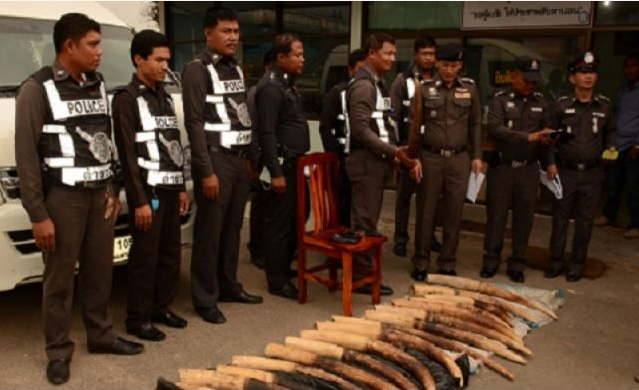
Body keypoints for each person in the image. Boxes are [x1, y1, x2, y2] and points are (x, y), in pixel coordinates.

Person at [15, 13, 143, 385]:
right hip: (63, 199)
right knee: (59, 280)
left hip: (99, 196)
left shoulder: (97, 83)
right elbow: (27, 159)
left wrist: (113, 189)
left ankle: (101, 335)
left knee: (100, 271)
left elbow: (105, 140)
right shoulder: (36, 89)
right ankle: (58, 351)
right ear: (69, 46)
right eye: (92, 44)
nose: (100, 52)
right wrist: (38, 214)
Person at [182, 6, 263, 325]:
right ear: (208, 34)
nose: (233, 37)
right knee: (209, 232)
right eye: (226, 31)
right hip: (215, 158)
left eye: (236, 31)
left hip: (239, 160)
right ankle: (204, 297)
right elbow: (194, 123)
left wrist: (251, 160)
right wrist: (206, 171)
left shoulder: (237, 69)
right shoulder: (197, 70)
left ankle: (228, 285)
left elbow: (242, 116)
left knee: (232, 229)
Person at [112, 30, 190, 342]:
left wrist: (182, 187)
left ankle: (160, 307)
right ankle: (138, 318)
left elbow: (174, 145)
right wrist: (139, 201)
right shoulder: (126, 100)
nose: (164, 66)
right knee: (145, 258)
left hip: (171, 190)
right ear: (138, 59)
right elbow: (127, 157)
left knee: (171, 254)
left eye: (167, 60)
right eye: (158, 60)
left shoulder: (165, 97)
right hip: (149, 193)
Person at [346, 33, 421, 294]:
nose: (393, 58)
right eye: (387, 53)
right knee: (365, 222)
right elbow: (360, 130)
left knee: (370, 220)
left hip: (376, 163)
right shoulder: (364, 85)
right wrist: (393, 151)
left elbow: (384, 124)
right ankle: (361, 278)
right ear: (372, 53)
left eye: (394, 53)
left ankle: (365, 273)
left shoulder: (379, 83)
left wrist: (394, 152)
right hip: (365, 163)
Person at [410, 44, 483, 281]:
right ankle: (421, 261)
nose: (449, 70)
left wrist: (477, 156)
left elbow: (475, 124)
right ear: (437, 64)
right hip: (430, 158)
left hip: (459, 159)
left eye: (454, 65)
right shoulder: (425, 89)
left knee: (454, 212)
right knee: (426, 212)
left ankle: (448, 261)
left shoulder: (470, 89)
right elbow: (414, 126)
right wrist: (414, 158)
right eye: (445, 65)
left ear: (460, 65)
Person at [545, 51, 617, 282]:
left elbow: (612, 132)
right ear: (572, 78)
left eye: (592, 72)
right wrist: (551, 163)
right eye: (583, 72)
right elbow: (548, 138)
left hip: (592, 173)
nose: (588, 77)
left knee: (585, 222)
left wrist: (612, 147)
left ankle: (577, 264)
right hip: (564, 171)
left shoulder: (604, 106)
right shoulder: (560, 106)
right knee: (560, 219)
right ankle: (555, 262)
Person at [481, 57, 554, 283]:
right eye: (526, 80)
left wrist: (550, 161)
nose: (531, 85)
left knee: (524, 220)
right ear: (513, 76)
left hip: (529, 170)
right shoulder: (500, 101)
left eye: (534, 82)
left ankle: (517, 264)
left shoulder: (541, 103)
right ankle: (491, 261)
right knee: (496, 218)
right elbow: (495, 128)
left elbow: (546, 138)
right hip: (502, 168)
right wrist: (528, 137)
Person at [256, 33, 310, 299]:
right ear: (281, 57)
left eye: (302, 54)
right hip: (281, 165)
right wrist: (275, 173)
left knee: (296, 218)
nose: (303, 59)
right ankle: (276, 281)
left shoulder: (289, 84)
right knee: (278, 223)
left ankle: (282, 267)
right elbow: (266, 133)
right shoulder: (271, 88)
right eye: (297, 55)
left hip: (297, 164)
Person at [390, 35, 442, 258]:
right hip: (408, 148)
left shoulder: (441, 81)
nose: (429, 58)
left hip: (431, 149)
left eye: (432, 53)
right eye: (425, 54)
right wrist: (397, 149)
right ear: (416, 54)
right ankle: (400, 238)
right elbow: (392, 116)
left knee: (430, 199)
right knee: (403, 197)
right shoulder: (403, 80)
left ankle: (428, 237)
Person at [318, 48, 366, 226]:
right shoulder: (337, 93)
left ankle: (358, 245)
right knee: (341, 207)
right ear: (351, 69)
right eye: (361, 69)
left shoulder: (373, 91)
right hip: (342, 160)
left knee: (361, 207)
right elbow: (325, 128)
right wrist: (334, 158)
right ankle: (337, 248)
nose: (364, 74)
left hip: (364, 161)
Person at [595, 52, 639, 239]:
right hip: (617, 144)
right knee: (613, 183)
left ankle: (636, 224)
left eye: (633, 65)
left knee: (634, 187)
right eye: (626, 66)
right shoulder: (623, 90)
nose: (629, 70)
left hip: (634, 146)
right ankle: (609, 215)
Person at [246, 50, 274, 270]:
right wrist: (254, 161)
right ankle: (257, 249)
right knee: (261, 206)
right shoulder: (257, 93)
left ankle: (270, 248)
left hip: (275, 158)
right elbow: (253, 129)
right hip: (260, 158)